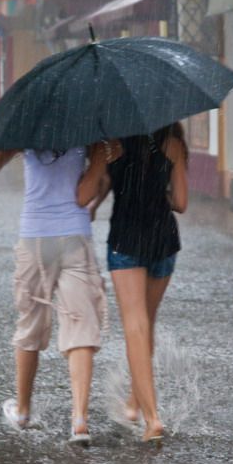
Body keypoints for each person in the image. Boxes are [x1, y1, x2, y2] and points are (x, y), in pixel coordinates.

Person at [0, 147, 106, 445]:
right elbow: (91, 192)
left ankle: (22, 412)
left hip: (35, 235)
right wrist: (100, 161)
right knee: (81, 326)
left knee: (30, 323)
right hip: (76, 236)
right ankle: (80, 421)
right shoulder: (87, 129)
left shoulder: (28, 127)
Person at [77, 122, 188, 444]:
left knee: (135, 327)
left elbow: (88, 192)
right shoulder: (173, 143)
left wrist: (99, 176)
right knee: (146, 325)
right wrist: (156, 194)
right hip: (164, 240)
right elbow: (181, 202)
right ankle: (133, 404)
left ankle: (152, 419)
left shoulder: (110, 143)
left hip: (126, 242)